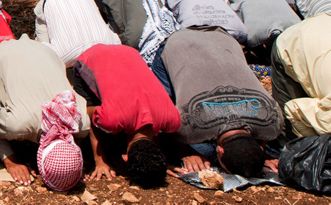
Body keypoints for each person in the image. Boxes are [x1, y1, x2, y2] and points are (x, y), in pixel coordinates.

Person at [162, 28, 281, 176]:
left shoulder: (274, 120)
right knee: (164, 94)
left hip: (226, 40)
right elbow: (163, 130)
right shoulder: (186, 127)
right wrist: (185, 152)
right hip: (176, 43)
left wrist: (257, 156)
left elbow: (263, 136)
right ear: (220, 150)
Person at [0, 35, 89, 190]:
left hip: (45, 50)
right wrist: (10, 161)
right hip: (1, 52)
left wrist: (69, 160)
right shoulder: (19, 124)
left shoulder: (82, 124)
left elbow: (75, 138)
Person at [73, 44, 180, 187]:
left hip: (130, 52)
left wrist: (155, 163)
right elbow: (88, 113)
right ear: (125, 157)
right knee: (90, 107)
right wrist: (100, 161)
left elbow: (156, 132)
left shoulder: (172, 119)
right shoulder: (112, 119)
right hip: (91, 56)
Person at [271, 13, 331, 138]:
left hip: (324, 27)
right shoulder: (328, 122)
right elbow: (293, 109)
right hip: (293, 41)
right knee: (289, 131)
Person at [35, 0, 121, 67]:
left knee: (45, 54)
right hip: (105, 46)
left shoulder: (62, 56)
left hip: (71, 52)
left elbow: (42, 45)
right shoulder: (113, 45)